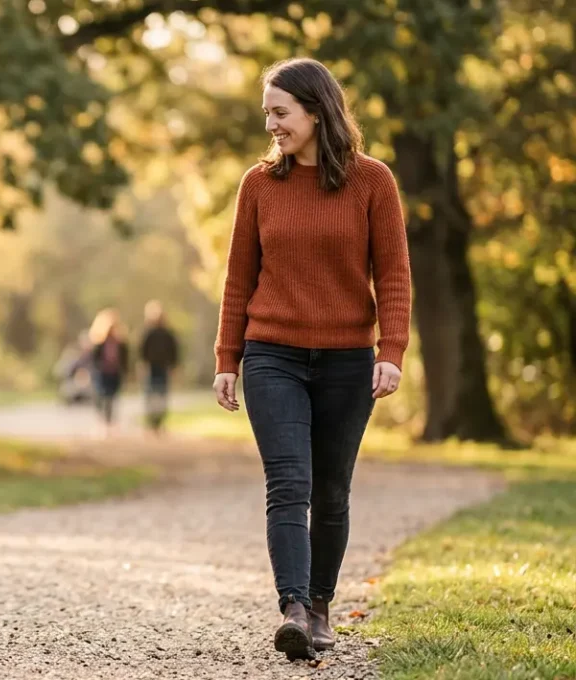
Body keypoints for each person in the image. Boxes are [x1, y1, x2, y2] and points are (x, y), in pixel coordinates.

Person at [211, 58, 411, 659]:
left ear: (317, 111)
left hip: (348, 360)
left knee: (331, 493)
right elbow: (238, 278)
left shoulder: (372, 181)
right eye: (266, 114)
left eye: (281, 113)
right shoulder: (258, 185)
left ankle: (322, 607)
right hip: (272, 353)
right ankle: (294, 607)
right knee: (288, 483)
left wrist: (391, 349)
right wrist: (228, 357)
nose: (271, 124)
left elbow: (394, 273)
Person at [137, 300, 179, 435]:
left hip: (163, 368)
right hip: (151, 368)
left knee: (161, 396)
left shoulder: (168, 334)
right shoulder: (147, 333)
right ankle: (152, 424)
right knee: (151, 396)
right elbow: (142, 352)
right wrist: (142, 367)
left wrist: (173, 367)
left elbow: (174, 352)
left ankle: (159, 423)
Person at [88, 308, 130, 437]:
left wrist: (125, 371)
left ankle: (111, 423)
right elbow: (94, 359)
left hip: (114, 373)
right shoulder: (99, 343)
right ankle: (103, 423)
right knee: (102, 398)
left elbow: (124, 358)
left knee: (112, 399)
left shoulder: (120, 343)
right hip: (102, 373)